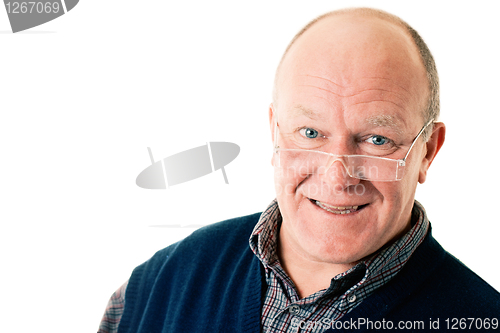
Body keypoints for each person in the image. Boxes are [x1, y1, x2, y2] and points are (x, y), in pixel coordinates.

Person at [98, 7, 499, 333]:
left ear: (427, 151)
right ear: (274, 131)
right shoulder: (162, 284)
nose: (337, 176)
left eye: (377, 139)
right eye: (310, 132)